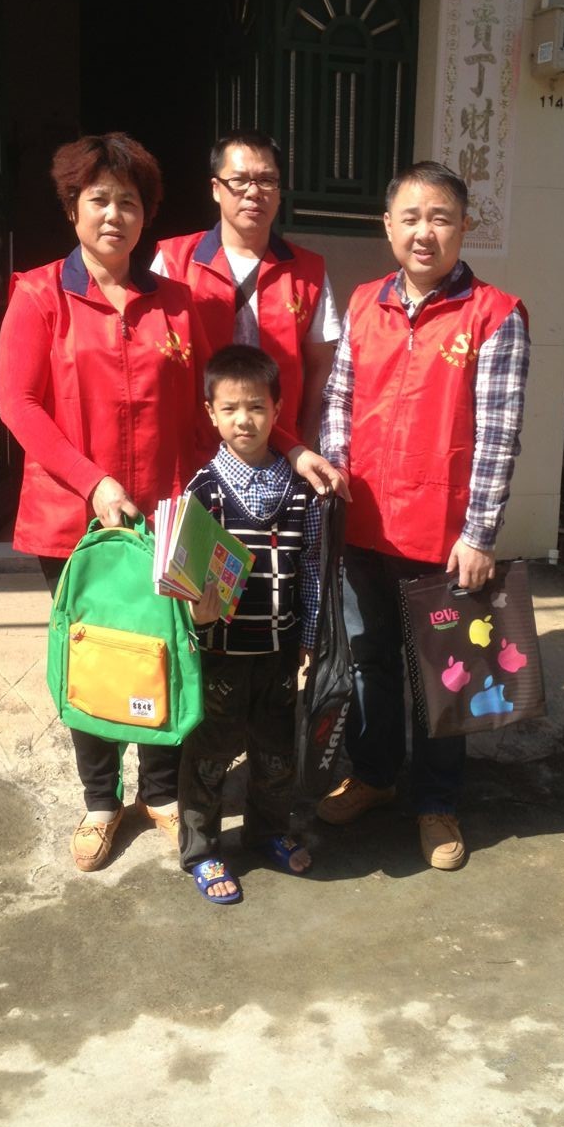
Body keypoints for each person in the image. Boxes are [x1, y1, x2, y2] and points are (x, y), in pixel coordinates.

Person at [0, 132, 213, 873]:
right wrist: (92, 482)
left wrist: (229, 483)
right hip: (73, 522)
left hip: (164, 518)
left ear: (146, 215)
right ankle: (99, 801)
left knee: (164, 650)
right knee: (92, 656)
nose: (114, 215)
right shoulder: (39, 295)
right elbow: (19, 404)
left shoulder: (176, 303)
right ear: (73, 209)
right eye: (99, 200)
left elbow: (204, 410)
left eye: (129, 202)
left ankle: (161, 790)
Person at [317, 161, 530, 870]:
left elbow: (499, 435)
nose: (423, 232)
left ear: (465, 226)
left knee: (444, 673)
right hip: (365, 525)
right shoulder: (364, 303)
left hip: (442, 536)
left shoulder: (494, 314)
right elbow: (340, 399)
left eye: (440, 218)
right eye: (409, 218)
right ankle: (374, 775)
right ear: (387, 227)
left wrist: (480, 534)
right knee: (370, 660)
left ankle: (436, 802)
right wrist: (334, 470)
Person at [178, 344, 321, 904]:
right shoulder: (203, 492)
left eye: (258, 407)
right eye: (231, 408)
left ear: (277, 410)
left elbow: (311, 566)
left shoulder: (299, 490)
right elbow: (182, 578)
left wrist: (308, 633)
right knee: (210, 755)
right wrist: (195, 612)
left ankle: (267, 833)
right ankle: (202, 850)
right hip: (220, 654)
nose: (245, 420)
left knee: (275, 750)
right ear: (210, 413)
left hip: (279, 653)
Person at [152, 129, 340, 447]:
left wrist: (303, 443)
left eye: (266, 180)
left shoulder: (308, 272)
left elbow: (322, 366)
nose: (253, 192)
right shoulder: (173, 262)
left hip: (278, 452)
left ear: (278, 191)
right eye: (239, 180)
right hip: (194, 449)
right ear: (216, 188)